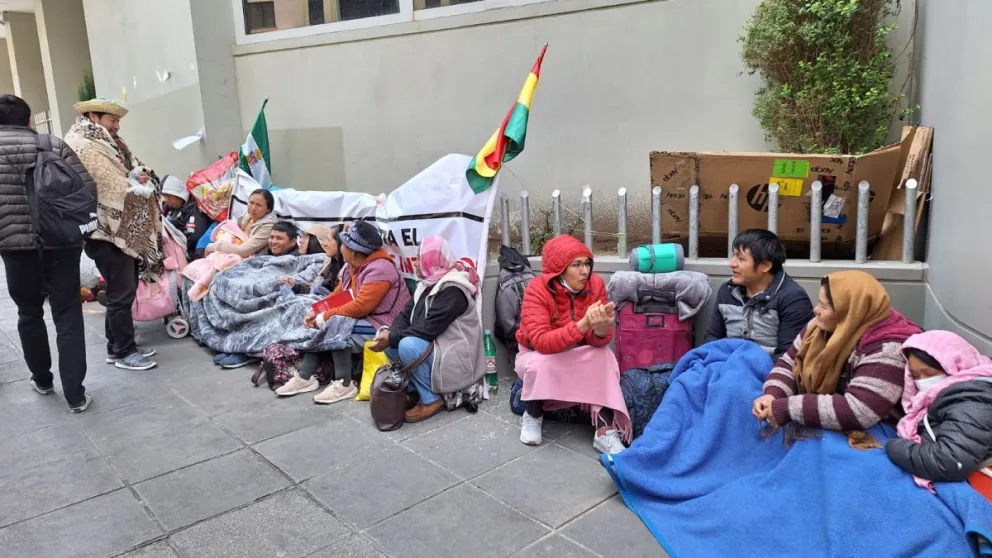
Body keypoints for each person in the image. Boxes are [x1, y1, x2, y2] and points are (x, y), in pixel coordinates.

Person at [0, 94, 96, 412]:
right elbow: (86, 188)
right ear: (28, 120)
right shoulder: (51, 145)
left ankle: (42, 379)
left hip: (16, 250)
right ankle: (75, 395)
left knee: (29, 313)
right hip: (60, 244)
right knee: (67, 315)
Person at [753, 270, 922, 447]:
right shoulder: (818, 328)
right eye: (819, 302)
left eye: (824, 306)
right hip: (829, 411)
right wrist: (772, 395)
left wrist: (787, 408)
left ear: (848, 313)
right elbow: (788, 363)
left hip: (879, 424)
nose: (815, 310)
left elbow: (860, 410)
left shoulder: (888, 348)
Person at [66, 97, 161, 372]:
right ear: (94, 116)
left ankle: (115, 346)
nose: (117, 126)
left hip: (117, 231)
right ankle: (124, 352)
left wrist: (139, 176)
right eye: (112, 120)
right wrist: (134, 183)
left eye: (118, 120)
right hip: (105, 231)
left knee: (123, 291)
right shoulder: (84, 145)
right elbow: (110, 187)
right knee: (121, 294)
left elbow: (127, 173)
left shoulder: (106, 142)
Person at [515, 235, 632, 454]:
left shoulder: (595, 284)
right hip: (538, 354)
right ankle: (533, 413)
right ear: (559, 269)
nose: (585, 271)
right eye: (576, 265)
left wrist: (601, 328)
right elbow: (541, 342)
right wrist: (583, 324)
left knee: (604, 356)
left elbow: (597, 343)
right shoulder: (537, 289)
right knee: (540, 364)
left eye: (587, 263)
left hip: (578, 352)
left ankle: (604, 429)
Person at [276, 221, 409, 402]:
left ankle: (344, 383)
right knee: (324, 321)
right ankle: (306, 377)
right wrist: (316, 311)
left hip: (383, 323)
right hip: (364, 319)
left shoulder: (380, 269)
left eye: (344, 244)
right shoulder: (352, 265)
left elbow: (362, 305)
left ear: (353, 250)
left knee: (336, 323)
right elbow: (339, 293)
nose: (341, 247)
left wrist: (325, 317)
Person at [369, 236, 484, 422]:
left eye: (419, 259)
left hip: (455, 355)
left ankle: (431, 399)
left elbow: (429, 329)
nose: (415, 264)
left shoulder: (453, 289)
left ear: (432, 262)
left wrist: (393, 337)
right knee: (391, 344)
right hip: (437, 347)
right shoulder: (426, 284)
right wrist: (388, 335)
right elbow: (405, 315)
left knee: (406, 345)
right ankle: (414, 390)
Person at [885, 331, 992, 493]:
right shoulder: (945, 393)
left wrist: (894, 447)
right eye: (915, 375)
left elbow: (950, 462)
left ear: (955, 365)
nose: (922, 381)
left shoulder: (972, 399)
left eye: (929, 374)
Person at [706, 229, 814, 358]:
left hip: (766, 372)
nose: (732, 263)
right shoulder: (728, 291)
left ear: (765, 266)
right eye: (733, 256)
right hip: (724, 365)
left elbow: (788, 358)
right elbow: (713, 338)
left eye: (741, 259)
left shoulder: (793, 299)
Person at [205, 188, 277, 258]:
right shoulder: (249, 215)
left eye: (259, 205)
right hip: (231, 251)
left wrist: (213, 247)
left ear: (268, 210)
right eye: (251, 203)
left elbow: (243, 251)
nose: (253, 208)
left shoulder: (269, 227)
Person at [160, 174, 210, 260]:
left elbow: (193, 239)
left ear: (179, 195)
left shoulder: (195, 210)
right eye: (165, 196)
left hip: (189, 257)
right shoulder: (170, 207)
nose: (166, 200)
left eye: (169, 196)